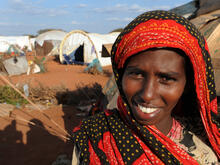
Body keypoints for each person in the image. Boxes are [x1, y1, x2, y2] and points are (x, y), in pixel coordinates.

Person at [72, 10, 220, 164]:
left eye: (166, 78)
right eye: (136, 74)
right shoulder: (92, 137)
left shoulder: (204, 154)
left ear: (188, 85)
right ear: (121, 75)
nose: (147, 94)